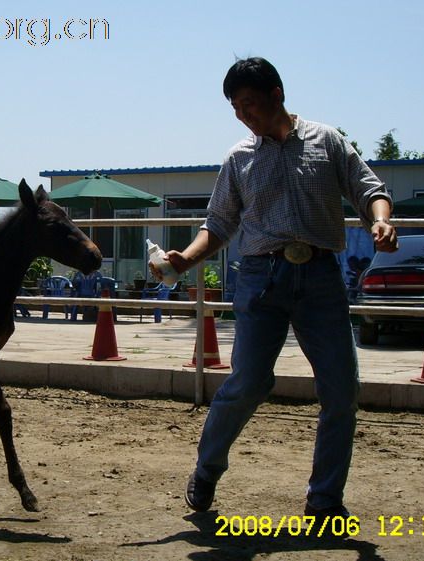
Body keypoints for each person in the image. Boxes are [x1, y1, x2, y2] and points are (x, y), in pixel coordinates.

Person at [154, 57, 398, 523]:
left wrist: (382, 221)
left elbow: (369, 190)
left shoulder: (326, 141)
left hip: (322, 278)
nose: (243, 114)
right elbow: (220, 223)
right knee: (249, 381)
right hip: (261, 278)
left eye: (248, 103)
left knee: (341, 390)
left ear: (276, 94)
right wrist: (186, 257)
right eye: (235, 107)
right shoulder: (240, 158)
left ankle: (324, 501)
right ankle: (206, 470)